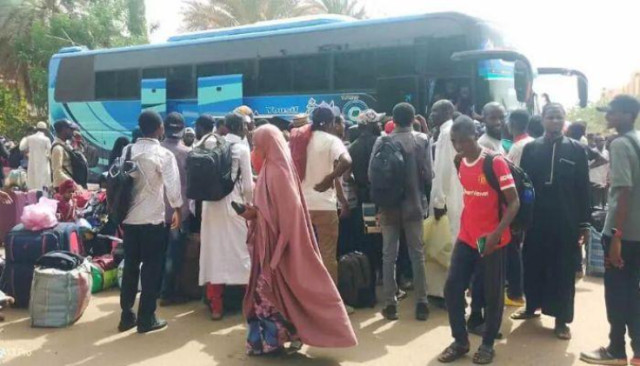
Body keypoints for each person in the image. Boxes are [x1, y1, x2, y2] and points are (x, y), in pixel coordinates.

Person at [238, 124, 357, 355]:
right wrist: (252, 213)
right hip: (271, 245)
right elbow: (271, 209)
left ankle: (271, 342)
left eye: (257, 146)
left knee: (269, 294)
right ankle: (273, 340)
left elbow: (288, 214)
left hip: (278, 248)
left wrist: (264, 225)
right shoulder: (272, 169)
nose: (254, 151)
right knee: (274, 295)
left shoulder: (277, 172)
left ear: (267, 146)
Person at [438, 115, 519, 365]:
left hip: (492, 239)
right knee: (452, 287)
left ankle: (487, 345)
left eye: (465, 141)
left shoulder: (495, 162)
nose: (461, 146)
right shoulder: (459, 161)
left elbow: (514, 202)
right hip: (467, 236)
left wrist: (495, 234)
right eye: (456, 141)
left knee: (492, 294)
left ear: (476, 136)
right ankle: (460, 341)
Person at [512, 103, 590, 340]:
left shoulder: (576, 150)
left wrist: (584, 224)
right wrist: (520, 219)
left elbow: (583, 189)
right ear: (543, 120)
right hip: (536, 221)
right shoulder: (531, 148)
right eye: (550, 117)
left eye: (559, 117)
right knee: (533, 264)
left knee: (563, 271)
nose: (555, 121)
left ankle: (561, 321)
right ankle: (531, 307)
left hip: (565, 222)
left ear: (564, 121)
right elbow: (523, 186)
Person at [581, 95, 640, 366]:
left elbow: (623, 191)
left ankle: (616, 348)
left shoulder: (620, 144)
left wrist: (615, 235)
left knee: (617, 292)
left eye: (613, 113)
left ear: (628, 114)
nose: (608, 118)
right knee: (633, 292)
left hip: (624, 235)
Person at [118, 110, 183, 334]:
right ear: (159, 129)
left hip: (129, 220)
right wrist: (177, 209)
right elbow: (173, 189)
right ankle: (147, 318)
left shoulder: (127, 150)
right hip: (153, 221)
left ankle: (126, 315)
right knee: (152, 269)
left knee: (130, 267)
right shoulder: (163, 155)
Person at [370, 103, 431, 321]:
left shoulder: (382, 141)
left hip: (388, 206)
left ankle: (390, 304)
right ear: (413, 118)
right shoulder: (422, 140)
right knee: (417, 254)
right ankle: (422, 302)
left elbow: (371, 174)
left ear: (393, 120)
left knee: (389, 255)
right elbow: (429, 175)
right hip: (414, 204)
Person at [199, 113, 253, 320]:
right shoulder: (241, 148)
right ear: (240, 128)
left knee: (215, 255)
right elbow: (248, 187)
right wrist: (251, 206)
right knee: (242, 253)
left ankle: (216, 306)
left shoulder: (209, 144)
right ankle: (249, 302)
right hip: (234, 207)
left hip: (210, 208)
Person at [300, 104, 352, 285]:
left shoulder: (301, 140)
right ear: (330, 122)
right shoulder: (332, 141)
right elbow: (346, 161)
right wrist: (329, 178)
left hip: (303, 207)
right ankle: (331, 304)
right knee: (328, 255)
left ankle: (308, 301)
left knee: (305, 255)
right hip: (325, 207)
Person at [429, 99, 464, 307]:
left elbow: (442, 170)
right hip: (455, 195)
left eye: (435, 111)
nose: (431, 115)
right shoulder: (448, 131)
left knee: (446, 246)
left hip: (448, 198)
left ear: (447, 112)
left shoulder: (445, 132)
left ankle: (447, 294)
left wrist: (438, 200)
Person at [159, 112, 192, 306]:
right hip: (179, 212)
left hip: (157, 211)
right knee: (174, 254)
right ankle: (168, 293)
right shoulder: (187, 153)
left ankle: (156, 290)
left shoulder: (157, 151)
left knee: (158, 253)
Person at [19, 121, 52, 190]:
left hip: (32, 163)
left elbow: (21, 147)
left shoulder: (29, 138)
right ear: (45, 130)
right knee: (43, 183)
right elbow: (50, 153)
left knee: (32, 182)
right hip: (43, 164)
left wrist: (25, 138)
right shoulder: (46, 139)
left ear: (36, 129)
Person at [51, 119, 78, 189]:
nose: (73, 132)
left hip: (68, 186)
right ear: (64, 130)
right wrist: (74, 185)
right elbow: (57, 173)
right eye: (71, 129)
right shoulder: (58, 148)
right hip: (62, 188)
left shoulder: (66, 145)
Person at [589, 134, 610, 208]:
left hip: (604, 180)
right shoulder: (592, 152)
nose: (602, 142)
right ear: (595, 142)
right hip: (594, 180)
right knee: (595, 203)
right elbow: (589, 166)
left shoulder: (606, 152)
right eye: (599, 140)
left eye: (603, 140)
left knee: (604, 202)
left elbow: (608, 166)